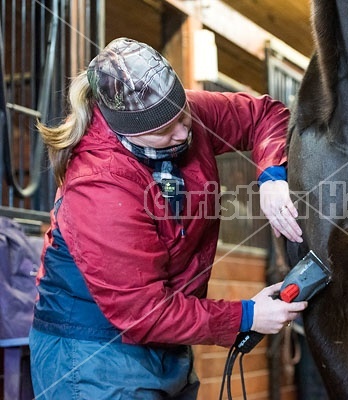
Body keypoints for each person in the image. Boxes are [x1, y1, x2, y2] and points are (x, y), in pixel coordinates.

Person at [29, 37, 306, 399]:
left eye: (184, 116)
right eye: (164, 131)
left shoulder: (178, 113)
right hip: (91, 354)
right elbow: (143, 312)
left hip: (165, 340)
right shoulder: (99, 186)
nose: (184, 132)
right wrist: (247, 316)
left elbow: (264, 114)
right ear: (126, 130)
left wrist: (272, 176)